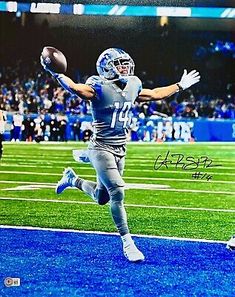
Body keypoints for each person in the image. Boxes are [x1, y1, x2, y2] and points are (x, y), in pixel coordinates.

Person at [41, 48, 200, 262]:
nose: (125, 67)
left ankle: (72, 179)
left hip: (120, 148)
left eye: (126, 63)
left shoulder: (133, 84)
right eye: (119, 64)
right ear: (106, 66)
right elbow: (76, 89)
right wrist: (56, 73)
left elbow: (155, 94)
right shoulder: (97, 86)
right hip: (100, 147)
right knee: (117, 193)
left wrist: (179, 85)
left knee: (101, 197)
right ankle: (128, 243)